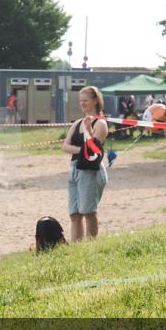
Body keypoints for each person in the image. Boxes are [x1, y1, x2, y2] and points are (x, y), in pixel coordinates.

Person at [62, 86, 109, 241]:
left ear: (95, 101)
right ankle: (76, 246)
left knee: (88, 211)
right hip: (74, 168)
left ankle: (90, 245)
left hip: (91, 170)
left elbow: (93, 149)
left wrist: (88, 130)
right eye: (80, 101)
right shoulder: (77, 123)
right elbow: (65, 146)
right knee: (74, 214)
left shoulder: (100, 124)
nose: (82, 103)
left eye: (85, 100)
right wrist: (82, 150)